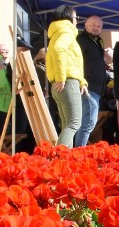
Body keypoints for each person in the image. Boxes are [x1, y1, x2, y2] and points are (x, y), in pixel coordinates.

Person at [47, 5, 88, 148]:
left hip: (61, 83)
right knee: (74, 123)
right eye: (76, 18)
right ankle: (58, 158)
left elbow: (72, 61)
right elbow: (59, 50)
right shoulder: (67, 31)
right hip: (66, 83)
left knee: (67, 125)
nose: (77, 21)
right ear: (69, 18)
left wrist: (81, 81)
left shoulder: (57, 32)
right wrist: (61, 78)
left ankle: (65, 160)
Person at [73, 15, 105, 148]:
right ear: (85, 25)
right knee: (88, 122)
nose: (95, 28)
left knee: (87, 122)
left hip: (96, 87)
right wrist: (82, 81)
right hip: (87, 86)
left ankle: (78, 150)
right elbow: (77, 62)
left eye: (98, 26)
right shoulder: (81, 40)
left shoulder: (98, 41)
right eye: (93, 25)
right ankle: (79, 153)